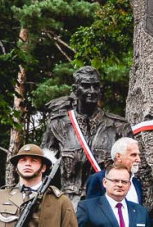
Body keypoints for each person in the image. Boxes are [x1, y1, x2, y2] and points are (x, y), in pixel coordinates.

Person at [41, 66, 131, 204]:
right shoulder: (57, 125)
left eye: (96, 86)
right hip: (69, 205)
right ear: (75, 89)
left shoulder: (119, 126)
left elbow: (134, 169)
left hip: (106, 204)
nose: (92, 91)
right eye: (86, 86)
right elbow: (43, 170)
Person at [84, 137, 144, 203]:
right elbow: (91, 209)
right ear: (118, 157)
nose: (138, 159)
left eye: (138, 155)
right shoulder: (98, 179)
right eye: (133, 155)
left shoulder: (136, 182)